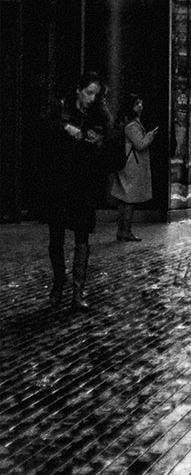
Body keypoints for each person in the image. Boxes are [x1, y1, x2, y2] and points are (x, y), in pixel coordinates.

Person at [41, 72, 111, 311]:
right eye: (88, 92)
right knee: (56, 235)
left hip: (84, 183)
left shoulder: (99, 114)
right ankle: (58, 285)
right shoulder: (62, 109)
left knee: (82, 235)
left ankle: (78, 291)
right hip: (60, 181)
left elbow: (108, 141)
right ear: (78, 90)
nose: (92, 98)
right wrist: (67, 129)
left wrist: (97, 140)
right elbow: (46, 131)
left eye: (95, 94)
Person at [109, 94, 157, 241]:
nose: (140, 106)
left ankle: (123, 230)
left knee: (125, 199)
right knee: (130, 200)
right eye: (138, 104)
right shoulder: (131, 125)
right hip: (131, 166)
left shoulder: (129, 123)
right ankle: (125, 230)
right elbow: (140, 144)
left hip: (128, 165)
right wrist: (150, 135)